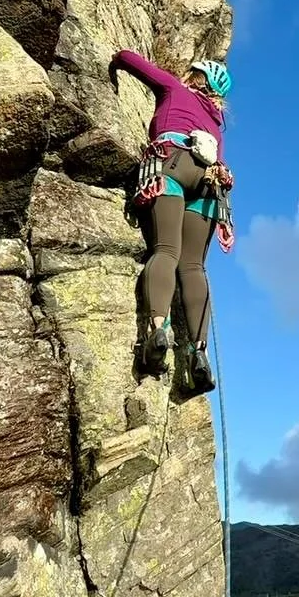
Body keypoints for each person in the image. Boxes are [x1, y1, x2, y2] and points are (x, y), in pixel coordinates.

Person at [111, 48, 235, 393]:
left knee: (165, 250)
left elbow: (129, 60)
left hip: (173, 163)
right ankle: (199, 353)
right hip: (210, 184)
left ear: (196, 80)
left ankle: (157, 332)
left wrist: (117, 58)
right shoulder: (216, 126)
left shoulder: (175, 89)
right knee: (193, 267)